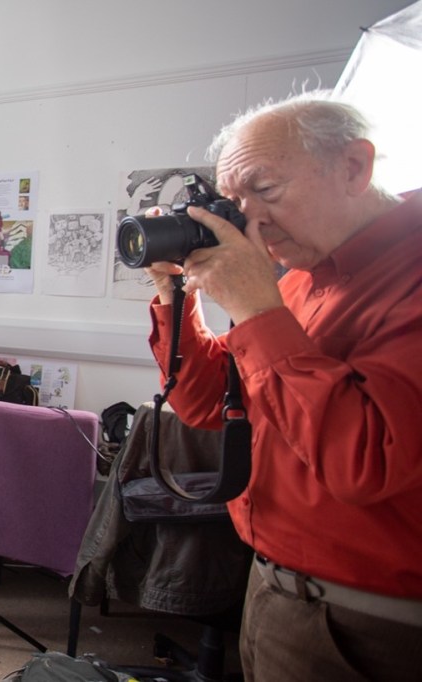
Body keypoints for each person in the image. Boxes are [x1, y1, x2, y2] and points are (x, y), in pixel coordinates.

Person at [142, 92, 422, 680]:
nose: (251, 221)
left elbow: (365, 459)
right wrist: (176, 299)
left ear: (355, 167)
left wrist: (254, 305)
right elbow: (208, 403)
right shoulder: (299, 279)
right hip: (272, 586)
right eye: (236, 202)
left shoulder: (409, 275)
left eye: (265, 191)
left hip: (365, 622)